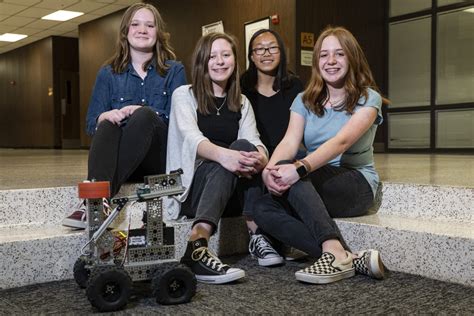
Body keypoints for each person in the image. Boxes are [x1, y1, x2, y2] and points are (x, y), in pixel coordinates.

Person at [252, 26, 388, 284]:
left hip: (355, 183)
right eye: (324, 55)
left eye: (339, 54)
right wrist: (269, 172)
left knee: (297, 174)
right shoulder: (304, 100)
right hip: (313, 181)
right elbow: (289, 141)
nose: (331, 61)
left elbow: (341, 142)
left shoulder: (368, 98)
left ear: (352, 58)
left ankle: (333, 251)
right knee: (262, 207)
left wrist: (299, 168)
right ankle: (344, 254)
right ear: (316, 62)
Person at [62, 3, 186, 229]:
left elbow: (181, 123)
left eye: (150, 25)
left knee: (145, 115)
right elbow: (91, 125)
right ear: (125, 31)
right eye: (135, 24)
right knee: (107, 123)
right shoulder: (108, 72)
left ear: (158, 32)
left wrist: (142, 112)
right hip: (122, 160)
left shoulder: (174, 70)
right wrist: (104, 116)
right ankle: (96, 201)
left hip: (157, 159)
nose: (142, 30)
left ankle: (96, 199)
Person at [165, 32, 272, 284]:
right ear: (202, 61)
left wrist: (260, 158)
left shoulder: (241, 101)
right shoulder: (184, 95)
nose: (220, 61)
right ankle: (197, 244)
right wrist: (227, 157)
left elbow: (255, 140)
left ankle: (256, 236)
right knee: (227, 159)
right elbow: (192, 139)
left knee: (246, 147)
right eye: (212, 56)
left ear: (235, 61)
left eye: (226, 55)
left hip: (231, 189)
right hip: (193, 191)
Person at [241, 29, 305, 263]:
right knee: (249, 155)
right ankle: (256, 233)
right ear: (251, 56)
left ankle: (280, 235)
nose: (266, 53)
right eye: (259, 49)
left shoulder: (294, 85)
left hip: (287, 153)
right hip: (257, 152)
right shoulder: (241, 87)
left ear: (281, 52)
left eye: (272, 48)